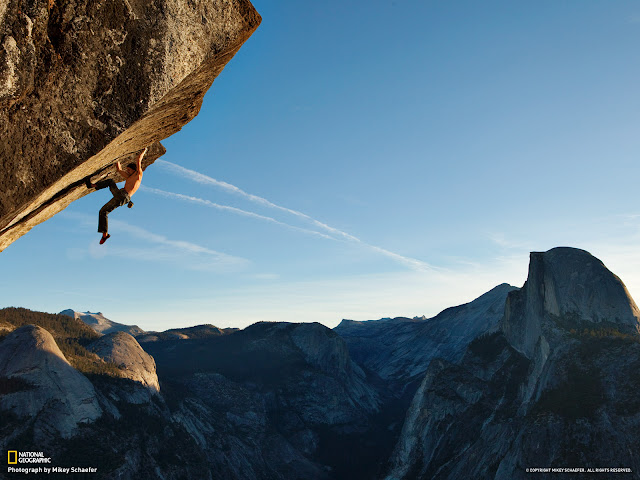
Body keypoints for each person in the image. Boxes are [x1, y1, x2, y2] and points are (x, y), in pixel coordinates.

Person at [86, 147, 147, 244]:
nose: (127, 171)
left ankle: (105, 235)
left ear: (133, 170)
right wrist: (117, 157)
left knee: (103, 211)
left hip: (123, 196)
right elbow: (119, 170)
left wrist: (144, 150)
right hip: (122, 196)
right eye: (127, 170)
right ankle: (92, 185)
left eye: (129, 170)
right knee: (110, 183)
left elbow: (139, 159)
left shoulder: (138, 175)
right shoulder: (129, 177)